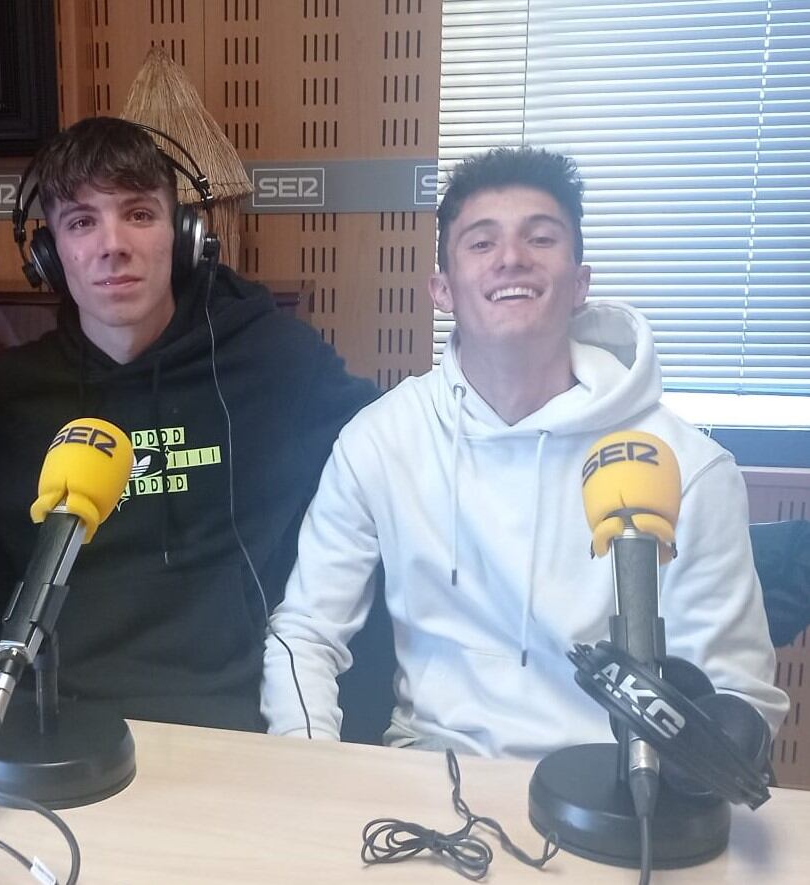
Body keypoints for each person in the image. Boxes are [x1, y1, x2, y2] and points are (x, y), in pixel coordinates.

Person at [261, 146, 788, 756]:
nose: (511, 258)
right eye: (481, 244)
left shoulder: (682, 466)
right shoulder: (382, 440)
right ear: (443, 289)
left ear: (580, 282)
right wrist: (309, 769)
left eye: (540, 239)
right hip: (428, 776)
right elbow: (306, 632)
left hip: (615, 789)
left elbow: (737, 694)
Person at [0, 116, 378, 732]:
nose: (112, 244)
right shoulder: (9, 395)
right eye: (82, 222)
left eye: (138, 214)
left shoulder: (275, 361)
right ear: (49, 254)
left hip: (229, 716)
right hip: (49, 716)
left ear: (183, 236)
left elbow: (395, 458)